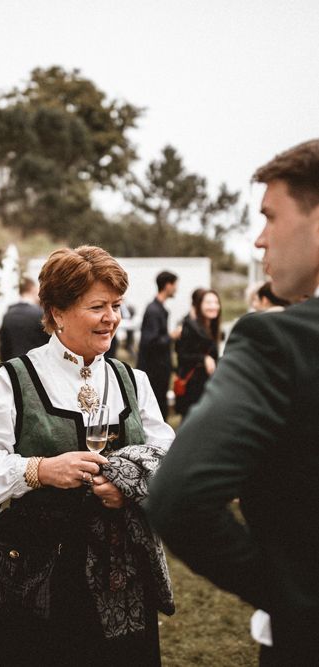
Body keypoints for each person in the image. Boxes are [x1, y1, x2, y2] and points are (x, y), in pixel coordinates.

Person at [145, 139, 319, 666]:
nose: (259, 238)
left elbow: (178, 498)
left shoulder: (278, 341)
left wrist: (293, 598)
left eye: (270, 215)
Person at [0, 246, 175, 667]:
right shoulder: (15, 379)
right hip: (38, 574)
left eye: (116, 305)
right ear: (57, 312)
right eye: (97, 306)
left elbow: (168, 454)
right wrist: (40, 470)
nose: (111, 317)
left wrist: (127, 486)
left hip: (119, 575)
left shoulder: (133, 381)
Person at [137, 271, 181, 419]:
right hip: (153, 371)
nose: (176, 289)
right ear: (167, 286)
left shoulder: (160, 309)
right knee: (155, 409)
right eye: (175, 285)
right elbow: (149, 342)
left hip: (160, 369)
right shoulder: (153, 310)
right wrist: (172, 336)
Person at [174, 288, 222, 417]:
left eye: (216, 302)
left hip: (206, 385)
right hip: (192, 388)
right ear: (199, 305)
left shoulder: (211, 326)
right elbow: (182, 356)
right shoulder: (190, 326)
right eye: (208, 302)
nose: (213, 306)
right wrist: (204, 358)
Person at [0, 276, 50, 361]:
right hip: (36, 365)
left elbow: (4, 348)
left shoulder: (8, 315)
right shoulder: (40, 314)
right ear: (33, 289)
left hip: (14, 366)